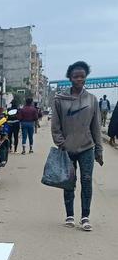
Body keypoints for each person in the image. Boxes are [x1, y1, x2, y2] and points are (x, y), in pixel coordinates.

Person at [51, 60, 103, 231]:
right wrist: (61, 143)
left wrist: (99, 150)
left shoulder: (92, 100)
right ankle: (70, 215)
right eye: (76, 76)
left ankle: (85, 217)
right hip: (67, 149)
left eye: (82, 76)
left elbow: (96, 127)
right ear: (70, 78)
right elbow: (56, 126)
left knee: (86, 181)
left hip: (87, 148)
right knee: (68, 182)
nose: (80, 79)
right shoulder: (60, 99)